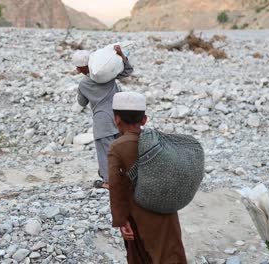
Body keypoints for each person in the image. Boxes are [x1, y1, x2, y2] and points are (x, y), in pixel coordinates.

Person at [108, 92, 187, 263]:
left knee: (141, 255)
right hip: (167, 211)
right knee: (172, 253)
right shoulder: (158, 140)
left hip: (137, 215)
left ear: (116, 119)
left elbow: (116, 186)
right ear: (144, 120)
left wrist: (122, 220)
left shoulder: (117, 147)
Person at [72, 46, 133, 189]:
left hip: (102, 120)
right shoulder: (108, 76)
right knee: (121, 147)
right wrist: (121, 55)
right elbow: (127, 71)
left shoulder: (84, 84)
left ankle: (108, 181)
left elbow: (81, 102)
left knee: (105, 151)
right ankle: (127, 175)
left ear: (79, 69)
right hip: (119, 116)